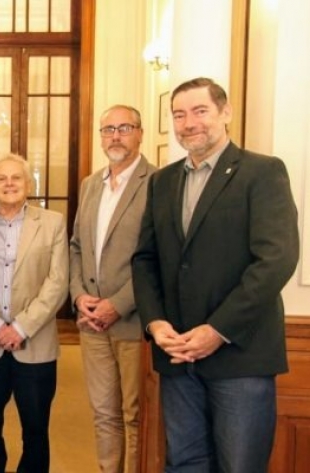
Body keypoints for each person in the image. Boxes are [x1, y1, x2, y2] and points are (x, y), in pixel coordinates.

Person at [132, 77, 299, 472]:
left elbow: (275, 260)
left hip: (239, 356)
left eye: (200, 111)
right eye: (179, 114)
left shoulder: (262, 173)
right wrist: (156, 324)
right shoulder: (163, 182)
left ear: (225, 113)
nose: (189, 123)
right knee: (184, 463)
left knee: (239, 466)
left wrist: (217, 330)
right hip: (176, 355)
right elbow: (145, 259)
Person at [70, 105, 156, 473]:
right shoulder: (91, 184)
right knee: (104, 413)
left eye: (124, 128)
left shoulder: (158, 182)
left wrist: (118, 304)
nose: (115, 136)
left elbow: (159, 257)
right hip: (92, 324)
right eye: (107, 130)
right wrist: (78, 296)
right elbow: (75, 247)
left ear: (140, 133)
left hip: (132, 322)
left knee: (134, 415)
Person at [0, 154, 69, 473]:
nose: (9, 184)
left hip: (36, 344)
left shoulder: (52, 222)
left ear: (29, 184)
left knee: (36, 429)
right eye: (2, 178)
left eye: (17, 178)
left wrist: (22, 328)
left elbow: (58, 282)